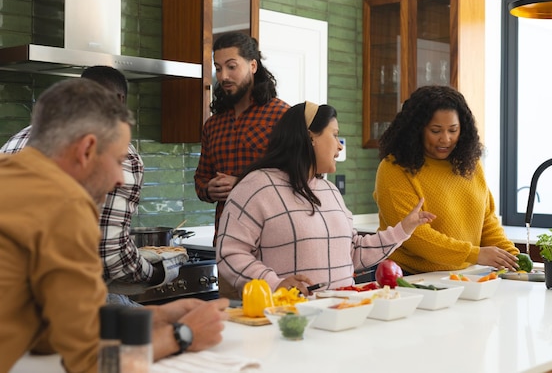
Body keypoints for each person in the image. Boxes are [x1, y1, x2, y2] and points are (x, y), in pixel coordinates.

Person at [0, 78, 229, 373]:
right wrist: (182, 335)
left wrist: (153, 318)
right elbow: (93, 365)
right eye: (119, 159)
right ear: (86, 150)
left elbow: (52, 328)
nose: (121, 179)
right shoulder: (67, 204)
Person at [215, 101, 436, 297]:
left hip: (343, 314)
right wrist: (274, 284)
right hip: (291, 318)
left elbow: (352, 253)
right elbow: (230, 252)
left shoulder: (330, 191)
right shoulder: (257, 186)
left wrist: (403, 229)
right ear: (310, 137)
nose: (340, 145)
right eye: (334, 134)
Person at [0, 66, 172, 299]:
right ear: (120, 100)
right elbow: (109, 255)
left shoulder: (19, 139)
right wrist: (159, 272)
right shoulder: (115, 150)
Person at [374, 85, 520, 275]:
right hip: (409, 278)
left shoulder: (470, 164)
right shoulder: (393, 168)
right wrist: (474, 254)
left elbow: (487, 222)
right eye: (436, 131)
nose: (446, 139)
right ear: (416, 130)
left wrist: (511, 257)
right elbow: (414, 235)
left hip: (462, 275)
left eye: (453, 130)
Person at [194, 32, 290, 298]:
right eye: (218, 68)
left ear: (253, 65)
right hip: (227, 250)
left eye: (231, 66)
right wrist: (209, 189)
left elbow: (298, 179)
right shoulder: (213, 125)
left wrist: (241, 185)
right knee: (236, 328)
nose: (223, 75)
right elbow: (200, 180)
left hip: (272, 250)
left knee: (277, 325)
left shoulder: (282, 116)